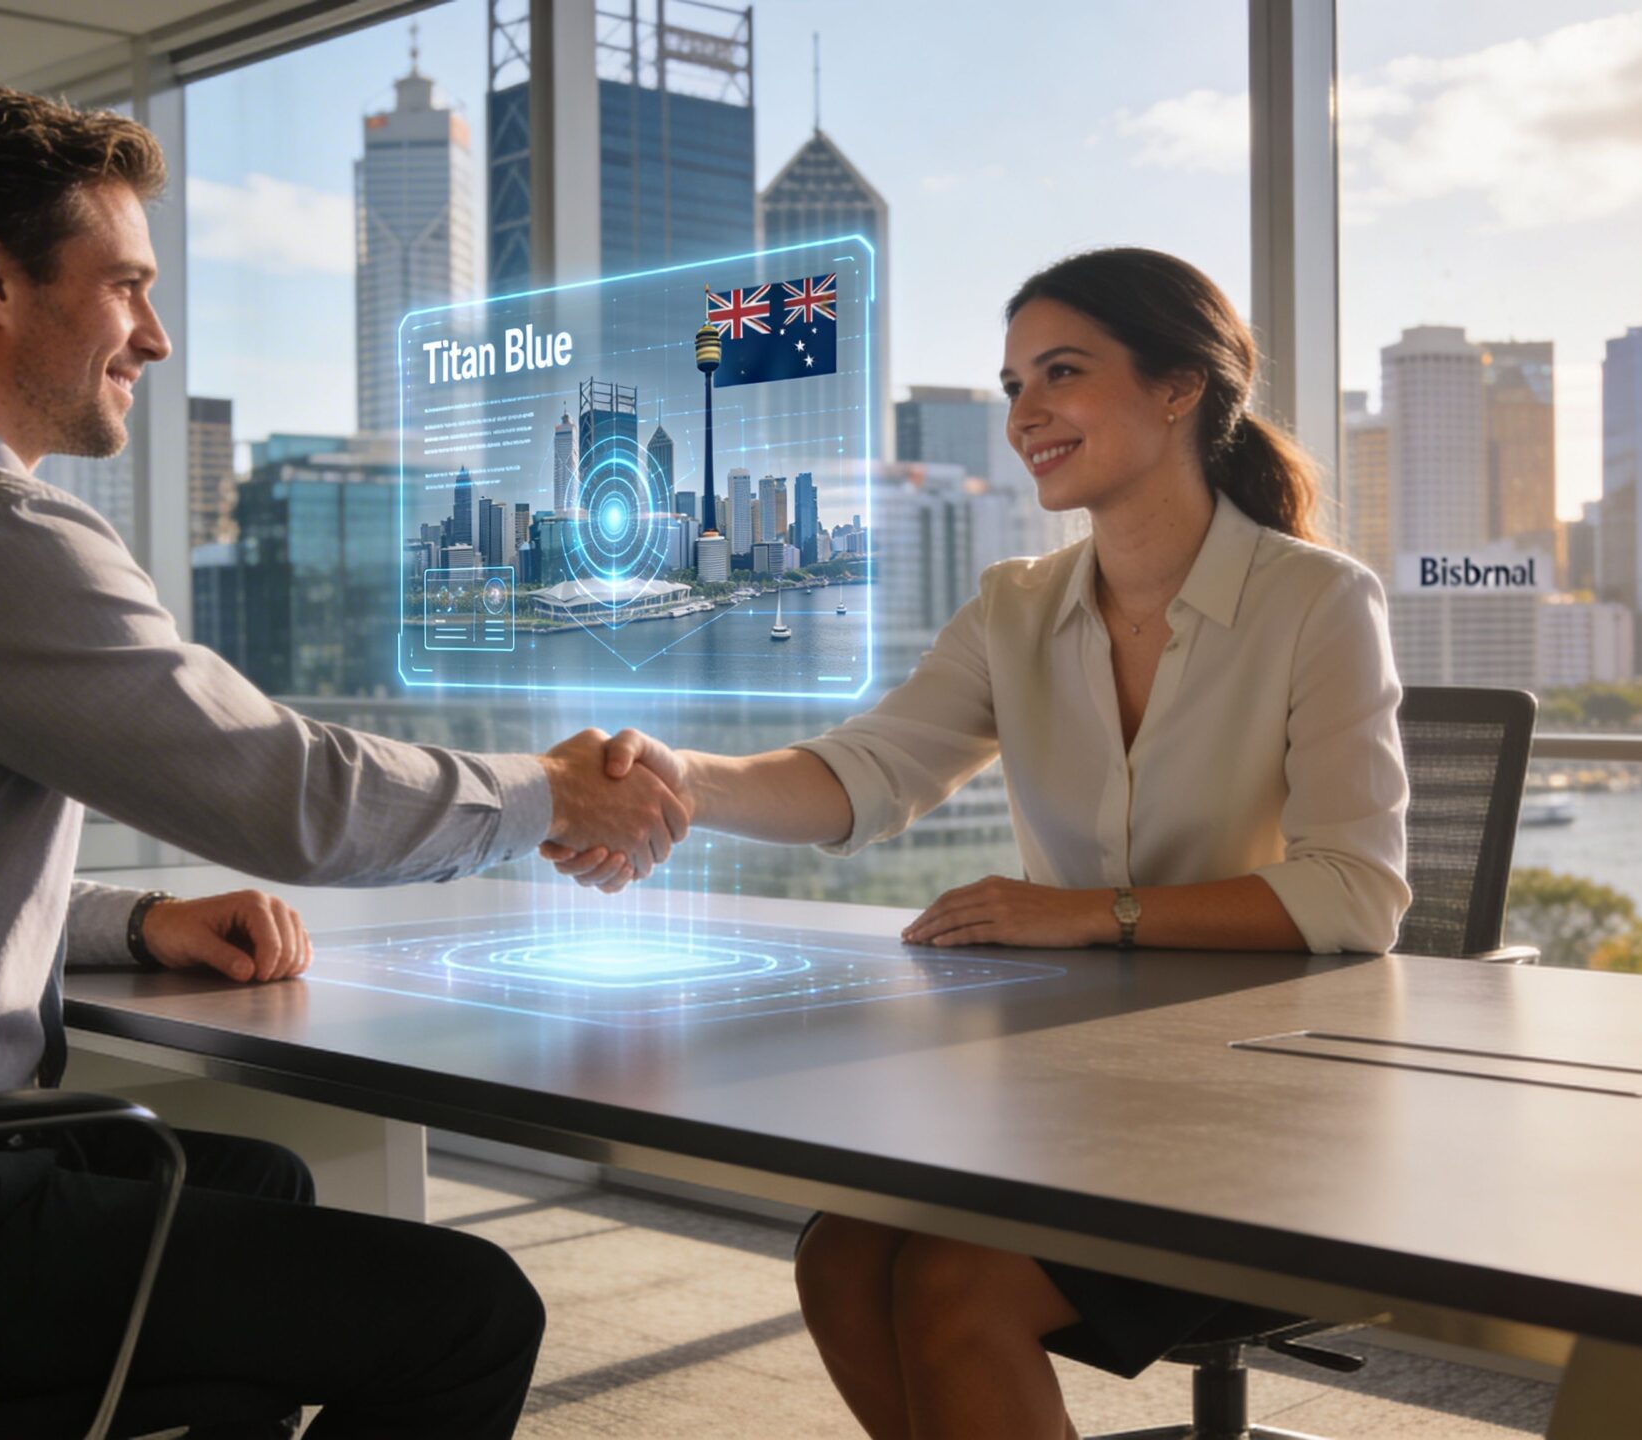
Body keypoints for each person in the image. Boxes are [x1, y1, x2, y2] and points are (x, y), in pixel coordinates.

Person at [0, 84, 686, 1438]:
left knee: (260, 1191)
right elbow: (289, 797)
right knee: (468, 1313)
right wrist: (549, 793)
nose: (156, 337)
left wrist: (136, 921)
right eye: (126, 286)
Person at [545, 247, 1412, 1438]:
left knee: (958, 1286)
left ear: (1178, 389)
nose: (1024, 415)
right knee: (841, 1261)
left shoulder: (1318, 600)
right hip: (1081, 1090)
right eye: (1010, 386)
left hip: (1260, 1110)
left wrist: (1088, 912)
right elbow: (868, 774)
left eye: (1060, 373)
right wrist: (679, 778)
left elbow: (1356, 893)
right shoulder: (1015, 606)